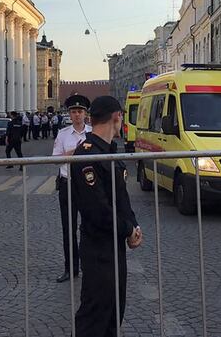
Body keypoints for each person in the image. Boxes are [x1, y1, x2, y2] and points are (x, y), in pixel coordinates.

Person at [71, 95, 142, 337]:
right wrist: (127, 229)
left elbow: (121, 198)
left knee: (114, 312)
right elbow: (97, 210)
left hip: (115, 246)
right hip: (98, 248)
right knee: (95, 314)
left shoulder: (111, 151)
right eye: (122, 117)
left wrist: (134, 225)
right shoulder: (87, 155)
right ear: (117, 117)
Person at [52, 94, 91, 283]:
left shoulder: (92, 134)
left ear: (86, 114)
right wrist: (73, 153)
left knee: (89, 226)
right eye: (74, 112)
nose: (77, 115)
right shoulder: (63, 134)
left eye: (80, 111)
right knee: (68, 228)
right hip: (67, 184)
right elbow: (55, 159)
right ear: (69, 114)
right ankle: (70, 268)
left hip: (88, 186)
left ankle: (90, 266)